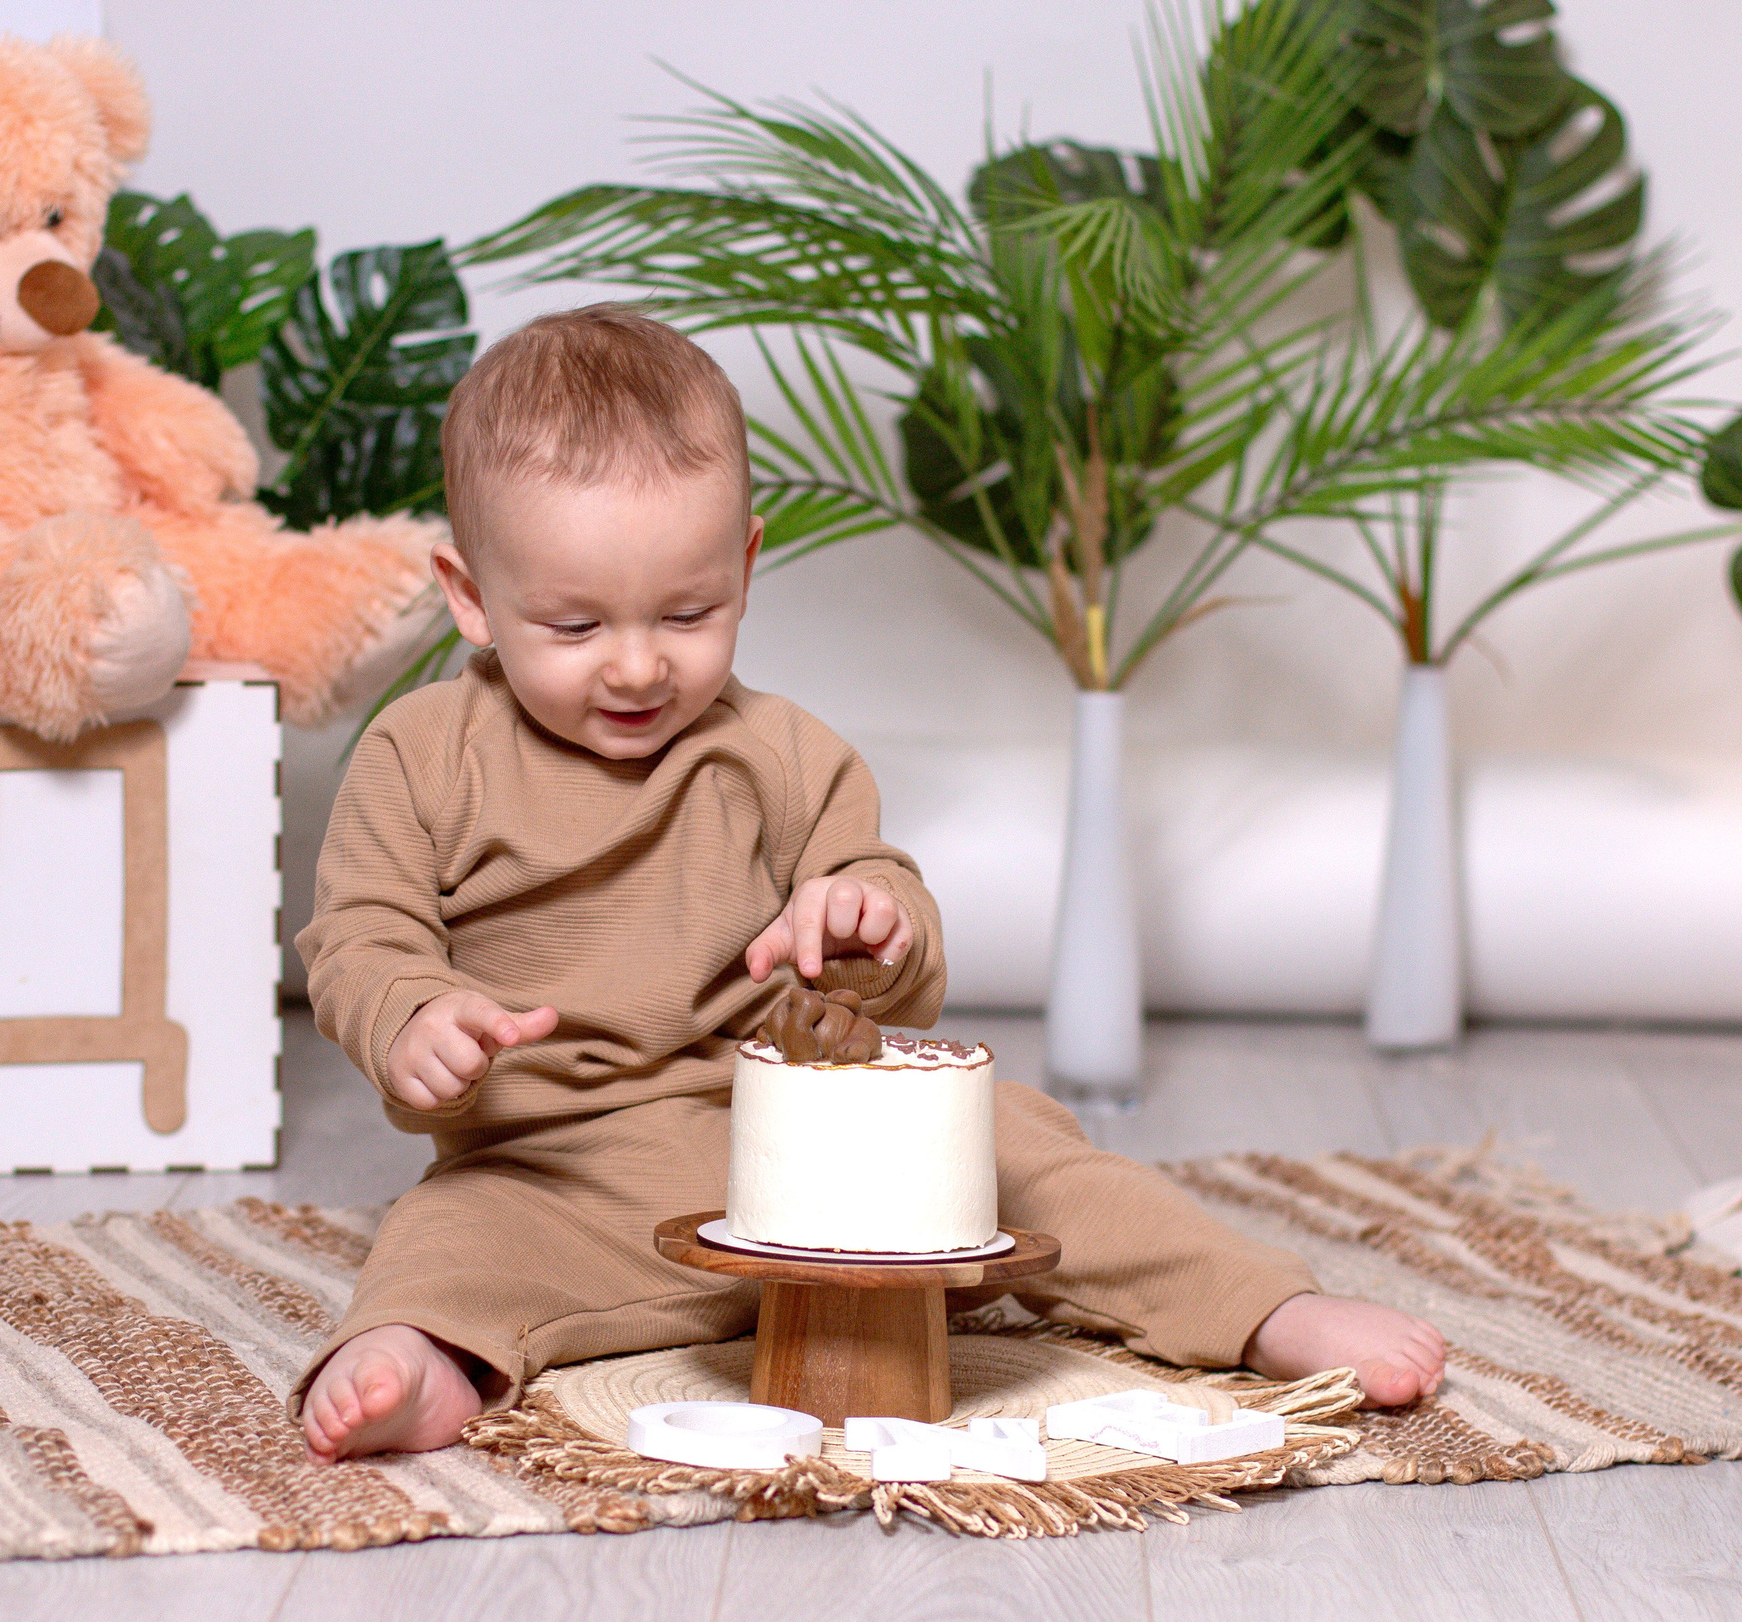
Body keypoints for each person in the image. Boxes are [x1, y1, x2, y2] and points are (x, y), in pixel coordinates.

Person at [292, 305, 1446, 1461]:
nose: (639, 664)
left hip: (810, 1143)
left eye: (688, 614)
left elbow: (895, 963)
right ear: (470, 594)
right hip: (550, 1167)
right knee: (442, 1244)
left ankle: (1257, 1308)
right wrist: (412, 1015)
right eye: (575, 623)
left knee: (1028, 1152)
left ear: (743, 566)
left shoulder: (788, 752)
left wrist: (867, 927)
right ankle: (417, 1362)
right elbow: (360, 936)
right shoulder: (421, 752)